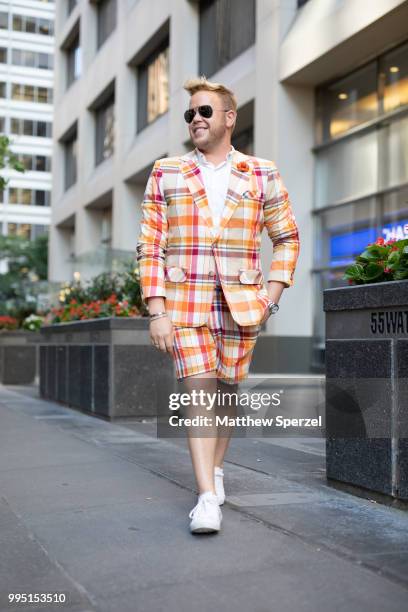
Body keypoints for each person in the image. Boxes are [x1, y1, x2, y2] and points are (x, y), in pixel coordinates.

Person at [136, 76, 300, 534]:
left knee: (226, 394)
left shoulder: (261, 172)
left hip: (242, 303)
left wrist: (271, 295)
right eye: (190, 114)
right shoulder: (166, 171)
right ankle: (207, 497)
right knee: (198, 393)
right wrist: (157, 309)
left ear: (229, 118)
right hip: (184, 303)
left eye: (204, 111)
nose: (196, 120)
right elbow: (150, 245)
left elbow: (286, 237)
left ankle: (218, 469)